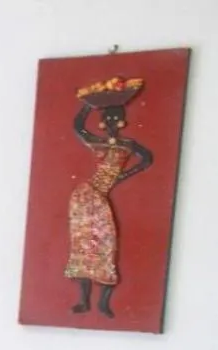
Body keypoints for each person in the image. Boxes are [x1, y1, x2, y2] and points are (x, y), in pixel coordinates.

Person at [65, 98, 153, 318]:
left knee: (105, 244)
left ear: (123, 121)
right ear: (102, 122)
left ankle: (103, 303)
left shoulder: (128, 145)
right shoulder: (98, 142)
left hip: (99, 196)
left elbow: (147, 159)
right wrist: (88, 105)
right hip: (85, 196)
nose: (113, 122)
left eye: (116, 119)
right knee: (83, 248)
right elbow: (78, 128)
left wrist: (123, 176)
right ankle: (84, 301)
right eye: (108, 119)